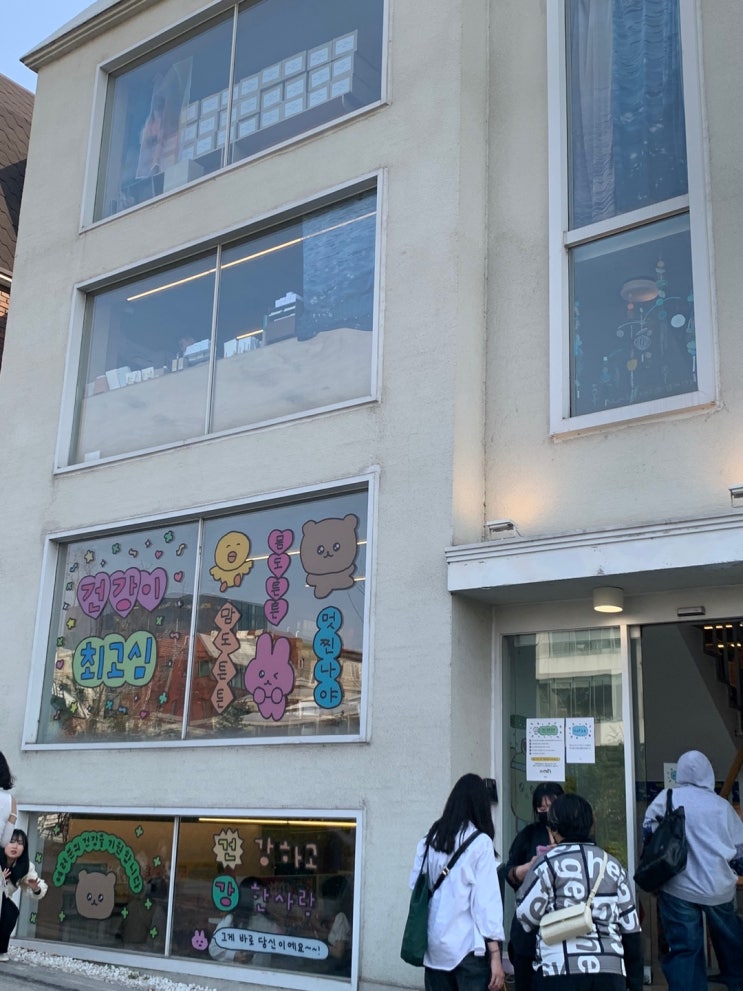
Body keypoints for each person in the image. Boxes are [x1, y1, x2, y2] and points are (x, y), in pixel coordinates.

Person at [516, 793, 643, 991]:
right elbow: (631, 930)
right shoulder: (613, 866)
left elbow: (525, 917)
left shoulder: (547, 864)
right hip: (609, 972)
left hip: (558, 970)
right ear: (591, 825)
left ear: (554, 829)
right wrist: (635, 983)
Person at [641, 750, 743, 991]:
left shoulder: (666, 797)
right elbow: (740, 850)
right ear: (709, 773)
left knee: (685, 949)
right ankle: (737, 982)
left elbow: (649, 835)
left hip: (678, 887)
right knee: (731, 943)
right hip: (719, 888)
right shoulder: (722, 806)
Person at [409, 772, 506, 991]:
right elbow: (486, 904)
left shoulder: (428, 841)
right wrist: (495, 955)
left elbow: (415, 886)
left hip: (434, 947)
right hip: (467, 949)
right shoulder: (480, 843)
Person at [503, 783, 564, 991]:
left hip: (564, 923)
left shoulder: (572, 835)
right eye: (541, 807)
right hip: (530, 927)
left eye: (552, 805)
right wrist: (528, 867)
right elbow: (509, 872)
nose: (546, 811)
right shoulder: (529, 834)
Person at [208, 876, 281, 967]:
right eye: (257, 896)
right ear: (246, 896)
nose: (262, 900)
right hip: (237, 973)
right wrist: (234, 955)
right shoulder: (232, 919)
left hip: (262, 973)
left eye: (264, 896)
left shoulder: (269, 922)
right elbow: (214, 949)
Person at [0, 828, 47, 962]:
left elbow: (38, 885)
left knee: (11, 911)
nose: (15, 846)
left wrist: (36, 888)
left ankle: (1, 950)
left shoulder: (25, 866)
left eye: (20, 843)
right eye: (11, 841)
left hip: (3, 899)